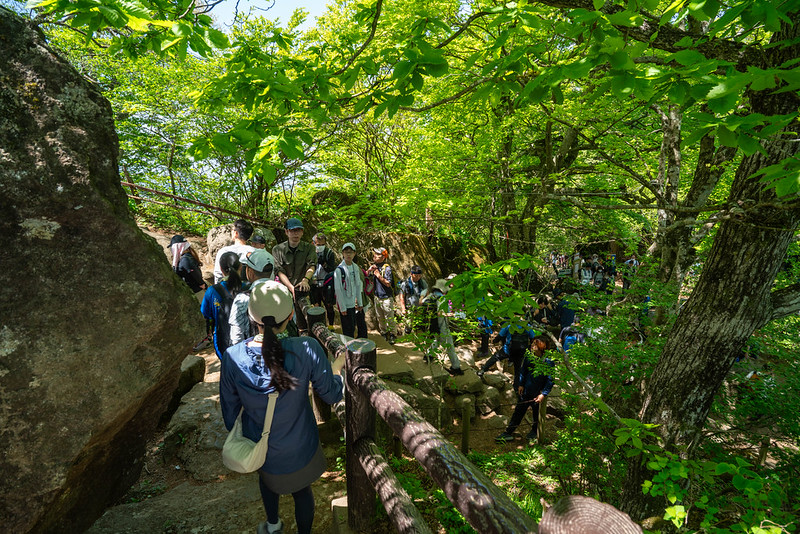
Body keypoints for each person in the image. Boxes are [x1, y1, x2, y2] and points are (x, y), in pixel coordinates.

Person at [220, 281, 344, 534]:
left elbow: (230, 415)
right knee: (302, 491)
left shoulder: (233, 357)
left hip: (261, 446)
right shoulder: (306, 348)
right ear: (290, 315)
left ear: (252, 316)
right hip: (301, 445)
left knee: (266, 481)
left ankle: (273, 525)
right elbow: (331, 394)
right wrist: (337, 370)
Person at [495, 339, 554, 443]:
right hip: (526, 390)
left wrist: (543, 394)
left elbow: (550, 379)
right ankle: (508, 432)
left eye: (535, 344)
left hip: (538, 393)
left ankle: (535, 432)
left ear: (542, 346)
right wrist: (521, 384)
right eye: (532, 343)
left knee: (537, 414)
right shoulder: (529, 357)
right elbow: (523, 371)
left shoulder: (548, 361)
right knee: (518, 411)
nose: (532, 345)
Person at [272, 218, 317, 333]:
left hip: (303, 291)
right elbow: (279, 271)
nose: (295, 233)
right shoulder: (277, 250)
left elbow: (312, 265)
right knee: (285, 323)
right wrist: (291, 288)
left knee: (305, 324)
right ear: (286, 232)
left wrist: (306, 280)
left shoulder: (309, 248)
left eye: (298, 230)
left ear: (302, 232)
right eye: (292, 230)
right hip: (284, 292)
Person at [201, 251, 246, 359]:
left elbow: (205, 315)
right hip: (247, 339)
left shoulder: (212, 291)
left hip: (223, 341)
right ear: (240, 267)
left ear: (221, 270)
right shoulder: (248, 288)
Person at [228, 249, 276, 346]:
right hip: (281, 350)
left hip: (255, 352)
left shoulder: (242, 298)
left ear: (250, 271)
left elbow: (236, 335)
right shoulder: (283, 292)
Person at [421, 279, 463, 375]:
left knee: (438, 339)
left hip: (432, 324)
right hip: (442, 324)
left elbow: (421, 302)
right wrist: (453, 315)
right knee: (450, 346)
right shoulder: (441, 299)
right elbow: (441, 313)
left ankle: (429, 354)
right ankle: (456, 367)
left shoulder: (431, 296)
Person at [334, 243, 366, 338]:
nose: (348, 254)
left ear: (354, 253)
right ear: (343, 253)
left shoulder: (355, 267)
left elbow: (358, 285)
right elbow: (338, 289)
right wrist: (342, 307)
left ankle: (354, 349)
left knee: (353, 327)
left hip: (354, 303)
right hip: (345, 304)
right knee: (348, 329)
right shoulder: (339, 270)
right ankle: (348, 349)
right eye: (346, 252)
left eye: (351, 252)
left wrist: (360, 302)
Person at [367, 247, 397, 344]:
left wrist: (378, 275)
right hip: (377, 296)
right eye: (374, 254)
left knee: (389, 317)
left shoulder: (387, 268)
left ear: (383, 258)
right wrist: (369, 271)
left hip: (386, 297)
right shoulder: (374, 266)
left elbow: (388, 283)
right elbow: (366, 277)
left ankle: (393, 334)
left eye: (377, 255)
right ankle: (384, 333)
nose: (374, 256)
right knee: (380, 317)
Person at [214, 219, 255, 284]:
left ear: (236, 233)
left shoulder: (224, 251)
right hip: (250, 290)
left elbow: (218, 275)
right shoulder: (255, 252)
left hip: (227, 290)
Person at [310, 233, 338, 327]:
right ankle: (320, 326)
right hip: (314, 284)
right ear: (313, 243)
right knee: (316, 306)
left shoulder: (329, 253)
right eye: (318, 245)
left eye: (323, 244)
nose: (321, 247)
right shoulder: (310, 253)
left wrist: (324, 263)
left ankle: (330, 325)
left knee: (329, 306)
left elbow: (331, 269)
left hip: (326, 284)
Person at [398, 265, 428, 332]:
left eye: (419, 275)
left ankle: (418, 341)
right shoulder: (405, 284)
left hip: (420, 308)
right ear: (411, 274)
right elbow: (401, 296)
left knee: (420, 326)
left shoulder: (422, 282)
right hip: (410, 308)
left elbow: (427, 293)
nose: (418, 277)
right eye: (416, 275)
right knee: (408, 327)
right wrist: (403, 308)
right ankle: (409, 340)